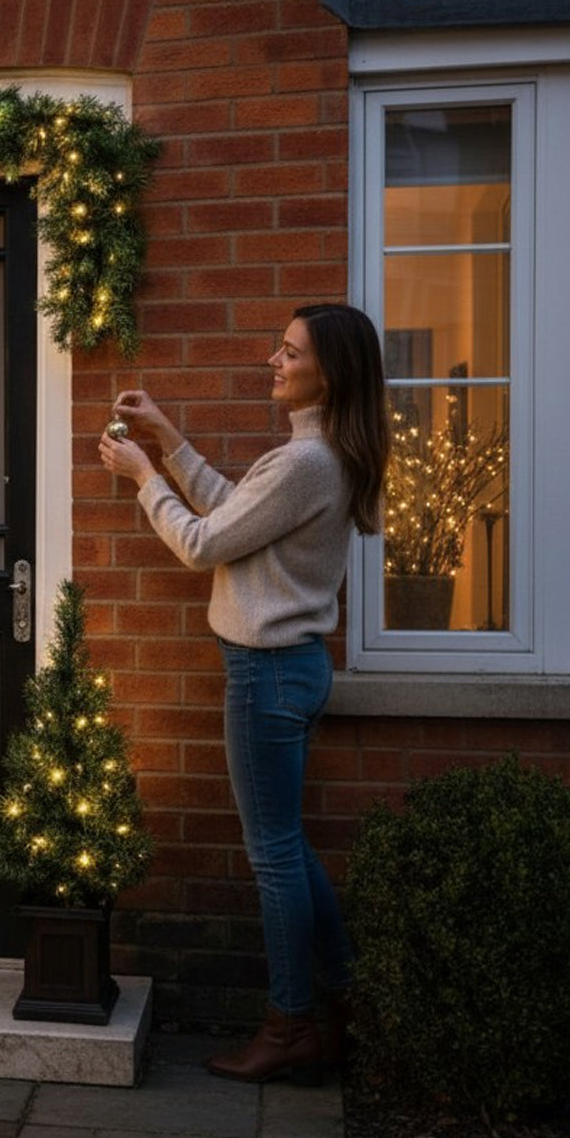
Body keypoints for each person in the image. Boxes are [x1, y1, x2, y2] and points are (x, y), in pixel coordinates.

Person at [98, 303, 389, 1086]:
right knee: (289, 850)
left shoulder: (306, 462)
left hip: (265, 675)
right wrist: (167, 436)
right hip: (291, 668)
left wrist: (143, 477)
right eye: (279, 348)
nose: (273, 360)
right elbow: (234, 512)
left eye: (289, 352)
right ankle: (347, 999)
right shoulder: (315, 456)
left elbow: (200, 544)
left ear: (330, 372)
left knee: (273, 859)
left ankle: (290, 1024)